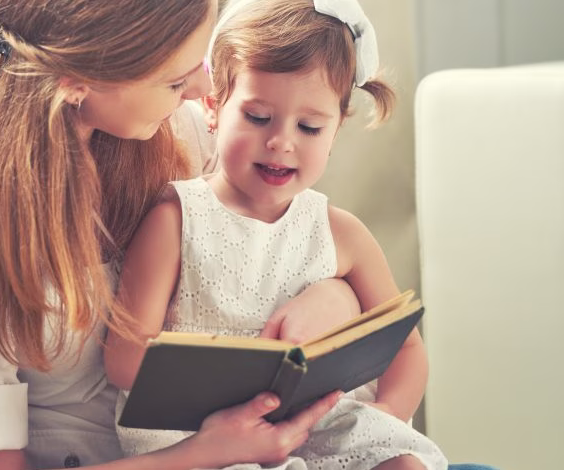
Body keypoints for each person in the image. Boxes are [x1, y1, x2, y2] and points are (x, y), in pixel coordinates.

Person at [0, 0, 369, 469]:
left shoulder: (176, 137)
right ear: (79, 80)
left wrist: (335, 295)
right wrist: (200, 453)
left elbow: (292, 240)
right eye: (176, 81)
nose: (201, 91)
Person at [104, 0, 448, 469]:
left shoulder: (342, 233)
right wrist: (233, 371)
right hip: (202, 431)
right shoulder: (175, 217)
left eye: (309, 127)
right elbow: (123, 359)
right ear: (213, 108)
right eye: (258, 117)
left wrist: (389, 412)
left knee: (402, 462)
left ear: (336, 130)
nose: (281, 141)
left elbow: (406, 347)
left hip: (313, 422)